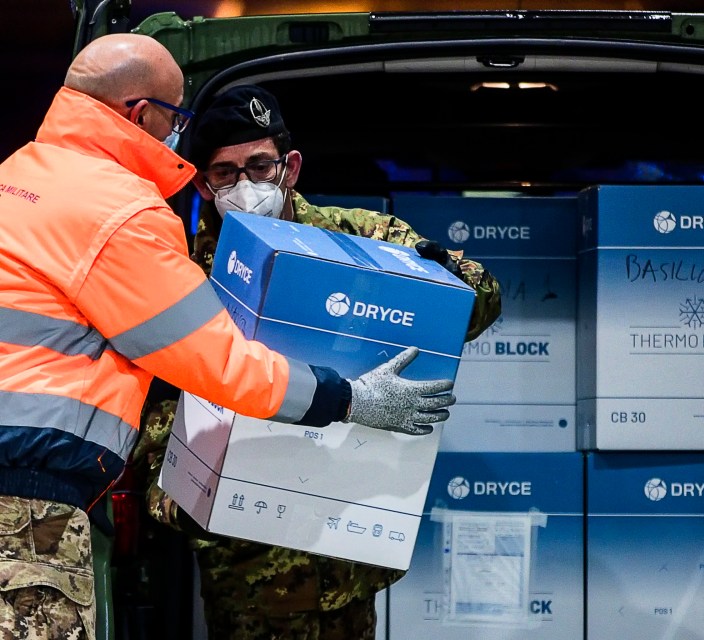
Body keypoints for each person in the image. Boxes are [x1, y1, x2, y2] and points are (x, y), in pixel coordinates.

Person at [0, 36, 457, 639]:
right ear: (141, 115)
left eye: (260, 166)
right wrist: (346, 398)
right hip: (29, 498)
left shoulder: (18, 176)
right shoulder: (122, 212)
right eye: (177, 119)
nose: (174, 137)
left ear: (289, 166)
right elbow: (215, 361)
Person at [132, 84, 502, 640]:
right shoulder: (182, 276)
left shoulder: (362, 240)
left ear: (291, 167)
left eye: (259, 166)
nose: (245, 186)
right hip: (246, 565)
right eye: (225, 173)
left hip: (346, 550)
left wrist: (442, 274)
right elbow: (150, 412)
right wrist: (175, 500)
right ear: (204, 186)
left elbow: (482, 304)